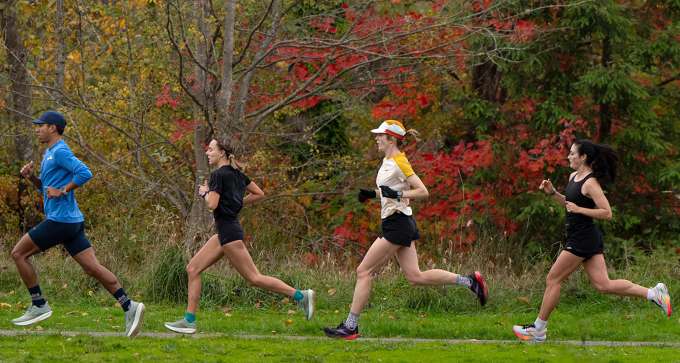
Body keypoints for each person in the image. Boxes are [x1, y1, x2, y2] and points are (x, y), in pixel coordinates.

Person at [323, 120, 488, 340]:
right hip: (399, 221)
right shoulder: (387, 160)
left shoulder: (399, 161)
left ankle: (351, 326)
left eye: (380, 135)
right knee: (415, 277)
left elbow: (422, 191)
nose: (376, 138)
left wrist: (397, 195)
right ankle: (470, 281)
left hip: (397, 224)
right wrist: (373, 195)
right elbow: (391, 190)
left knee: (363, 271)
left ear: (391, 138)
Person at [513, 139, 672, 343]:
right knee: (603, 285)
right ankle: (654, 294)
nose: (569, 156)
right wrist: (553, 193)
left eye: (572, 153)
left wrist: (580, 210)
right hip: (583, 237)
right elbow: (570, 204)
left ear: (583, 157)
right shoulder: (573, 177)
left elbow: (607, 213)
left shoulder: (590, 182)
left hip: (582, 238)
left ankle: (538, 330)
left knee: (553, 279)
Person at [12, 110, 145, 337]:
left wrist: (63, 190)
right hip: (71, 222)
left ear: (53, 127)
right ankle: (129, 305)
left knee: (18, 254)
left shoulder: (60, 151)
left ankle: (39, 304)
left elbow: (85, 173)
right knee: (92, 267)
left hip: (61, 220)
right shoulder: (50, 153)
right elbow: (48, 189)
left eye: (41, 125)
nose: (37, 129)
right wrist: (32, 178)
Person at [164, 139, 314, 334]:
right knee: (193, 268)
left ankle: (301, 296)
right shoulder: (237, 174)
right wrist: (237, 203)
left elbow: (212, 204)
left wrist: (205, 192)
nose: (207, 152)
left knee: (254, 278)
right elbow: (259, 193)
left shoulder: (217, 175)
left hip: (229, 233)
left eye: (211, 149)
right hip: (225, 232)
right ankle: (189, 321)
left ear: (222, 153)